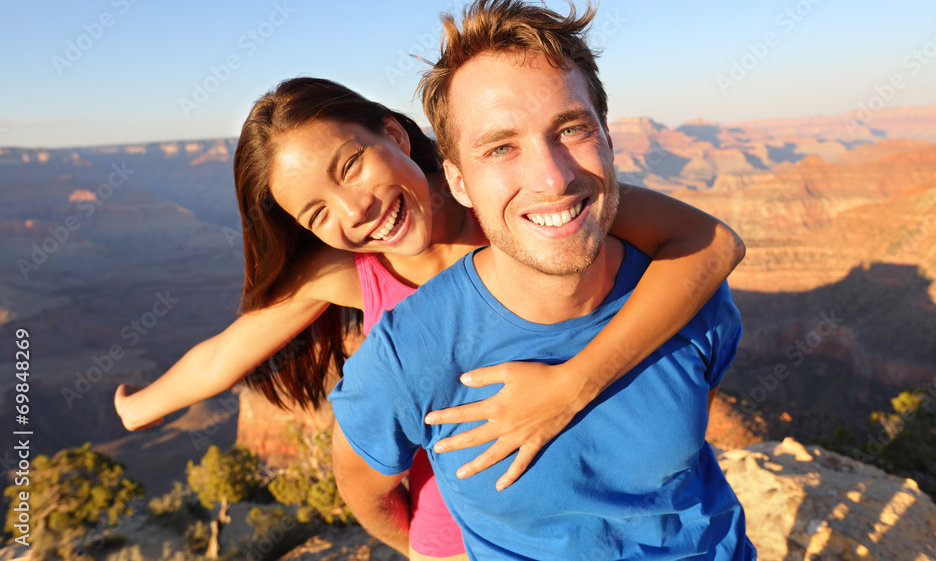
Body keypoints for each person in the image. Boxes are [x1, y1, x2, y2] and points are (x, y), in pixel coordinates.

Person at [115, 78, 742, 556]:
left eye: (350, 165)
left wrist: (571, 386)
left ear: (393, 134)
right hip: (463, 506)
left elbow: (709, 245)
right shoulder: (349, 272)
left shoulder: (519, 205)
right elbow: (225, 354)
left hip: (608, 484)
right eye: (316, 212)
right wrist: (139, 409)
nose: (353, 210)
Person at [329, 0, 756, 560]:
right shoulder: (408, 357)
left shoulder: (687, 294)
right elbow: (364, 489)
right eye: (501, 148)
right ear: (458, 182)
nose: (552, 178)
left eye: (572, 130)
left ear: (607, 138)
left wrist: (574, 387)